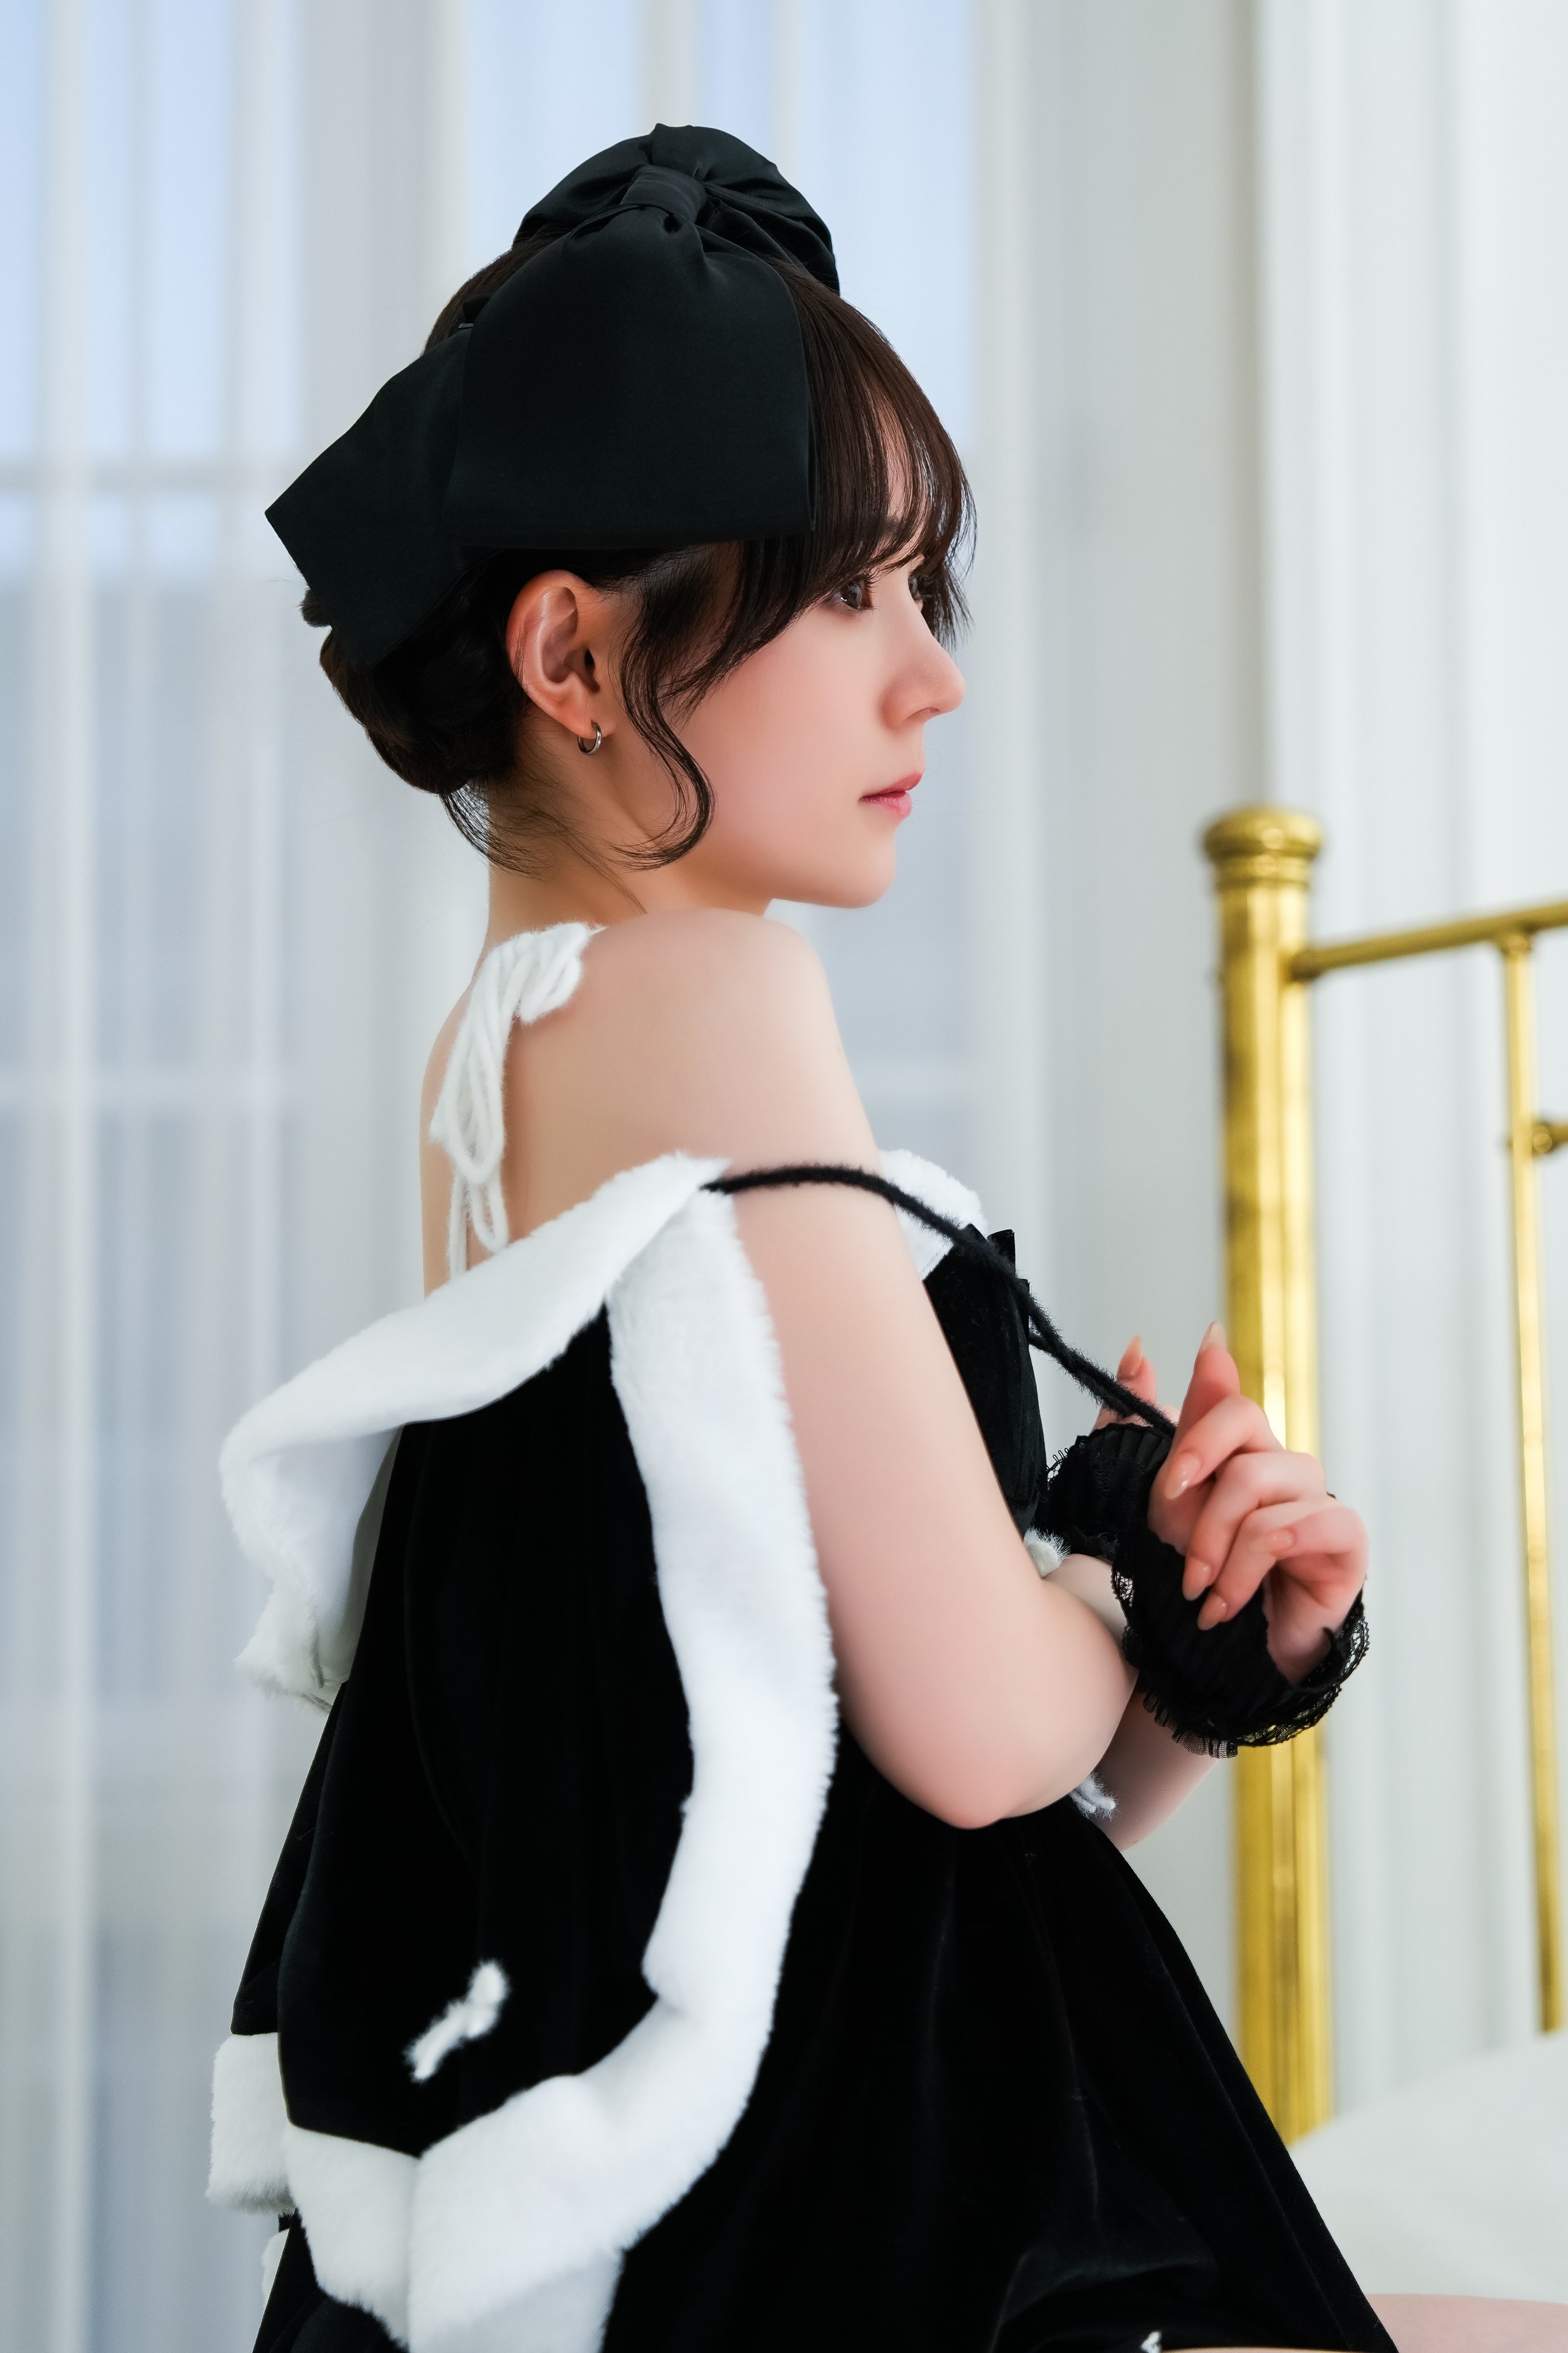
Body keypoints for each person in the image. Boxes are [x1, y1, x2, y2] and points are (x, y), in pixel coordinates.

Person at [206, 128, 1538, 2353]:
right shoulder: (704, 998)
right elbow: (984, 1736)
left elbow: (858, 1841)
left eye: (928, 592)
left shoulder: (506, 1058)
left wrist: (1166, 1649)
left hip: (753, 2198)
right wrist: (1123, 1581)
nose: (929, 678)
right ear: (572, 655)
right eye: (846, 594)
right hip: (831, 2265)